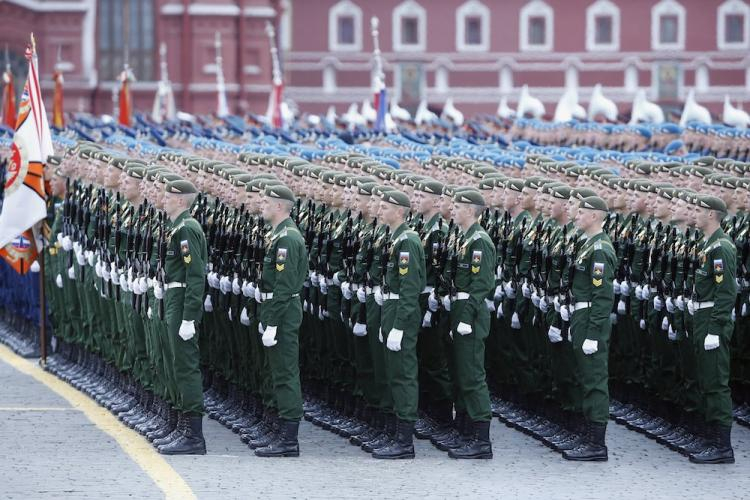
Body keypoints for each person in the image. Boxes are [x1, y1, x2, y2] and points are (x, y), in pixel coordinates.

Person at [255, 184, 308, 457]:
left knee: (286, 373)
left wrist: (273, 321)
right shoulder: (279, 235)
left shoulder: (287, 238)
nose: (261, 204)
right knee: (277, 371)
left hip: (284, 311)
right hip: (277, 308)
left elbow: (285, 286)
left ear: (279, 206)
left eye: (266, 201)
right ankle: (279, 430)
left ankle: (289, 440)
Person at [372, 189, 426, 459]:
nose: (380, 210)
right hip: (390, 308)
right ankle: (397, 434)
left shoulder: (407, 241)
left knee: (403, 375)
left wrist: (399, 325)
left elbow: (410, 288)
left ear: (400, 212)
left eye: (385, 207)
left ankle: (405, 441)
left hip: (400, 312)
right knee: (393, 374)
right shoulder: (393, 238)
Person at [563, 196, 616, 461]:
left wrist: (593, 334)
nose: (576, 216)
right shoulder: (589, 245)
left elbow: (603, 297)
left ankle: (597, 444)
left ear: (595, 216)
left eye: (582, 212)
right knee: (585, 377)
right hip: (581, 315)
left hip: (590, 318)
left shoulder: (600, 249)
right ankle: (587, 436)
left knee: (594, 379)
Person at [158, 179, 208, 455]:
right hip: (175, 297)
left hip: (182, 300)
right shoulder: (179, 227)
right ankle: (182, 426)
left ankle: (194, 436)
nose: (163, 200)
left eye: (168, 197)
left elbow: (195, 274)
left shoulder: (187, 228)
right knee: (178, 363)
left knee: (186, 365)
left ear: (180, 200)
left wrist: (189, 316)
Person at [446, 189, 496, 459]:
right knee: (463, 374)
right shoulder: (465, 239)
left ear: (470, 209)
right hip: (461, 309)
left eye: (457, 206)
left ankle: (481, 440)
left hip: (471, 315)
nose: (453, 210)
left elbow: (483, 284)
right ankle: (466, 431)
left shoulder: (479, 241)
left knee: (474, 376)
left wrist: (465, 316)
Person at [689, 195, 736, 464]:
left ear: (711, 214)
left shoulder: (721, 247)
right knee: (706, 380)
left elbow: (726, 291)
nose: (694, 214)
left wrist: (716, 328)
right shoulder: (708, 244)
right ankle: (711, 439)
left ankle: (722, 446)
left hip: (712, 318)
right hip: (703, 315)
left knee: (716, 383)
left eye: (698, 210)